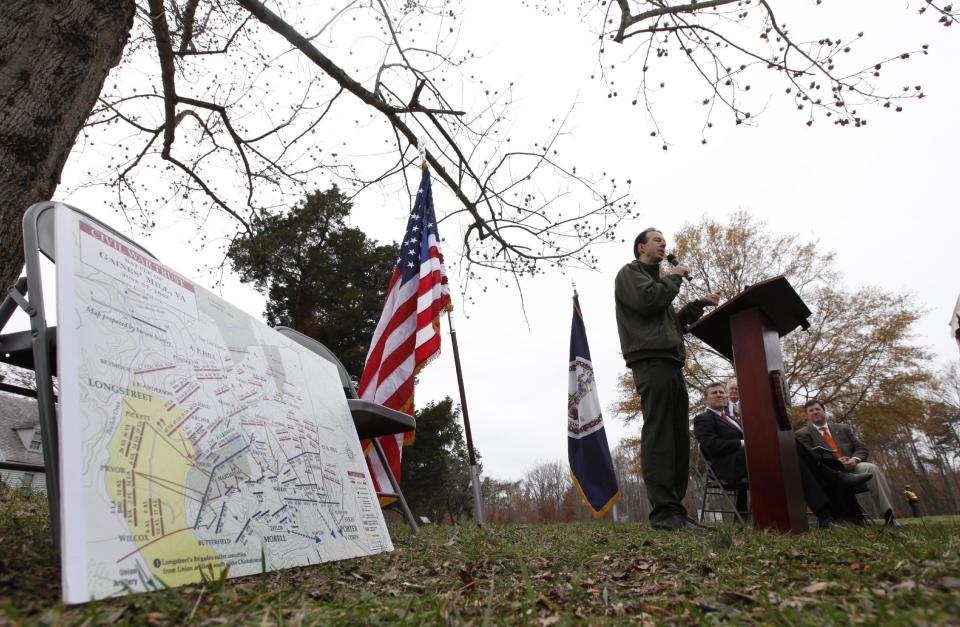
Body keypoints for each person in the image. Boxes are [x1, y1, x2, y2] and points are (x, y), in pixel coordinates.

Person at [615, 227, 720, 531]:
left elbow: (671, 322)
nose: (663, 243)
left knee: (677, 436)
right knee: (660, 433)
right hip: (651, 361)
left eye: (664, 240)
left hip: (671, 362)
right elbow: (649, 302)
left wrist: (700, 304)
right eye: (656, 240)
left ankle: (675, 509)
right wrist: (674, 277)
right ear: (640, 248)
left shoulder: (658, 282)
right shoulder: (630, 275)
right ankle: (663, 512)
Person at [693, 382, 873, 528]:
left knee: (796, 459)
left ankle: (829, 515)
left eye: (721, 392)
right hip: (731, 466)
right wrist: (742, 443)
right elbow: (711, 446)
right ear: (706, 400)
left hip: (754, 459)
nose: (720, 395)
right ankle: (834, 478)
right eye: (714, 393)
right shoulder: (703, 418)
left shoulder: (735, 420)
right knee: (787, 444)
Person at [796, 399, 898, 526]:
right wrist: (836, 462)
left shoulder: (843, 428)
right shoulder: (802, 434)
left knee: (872, 468)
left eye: (817, 409)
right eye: (811, 411)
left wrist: (854, 460)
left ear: (824, 411)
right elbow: (810, 458)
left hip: (853, 467)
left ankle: (889, 515)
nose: (815, 412)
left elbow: (861, 448)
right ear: (807, 415)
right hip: (830, 471)